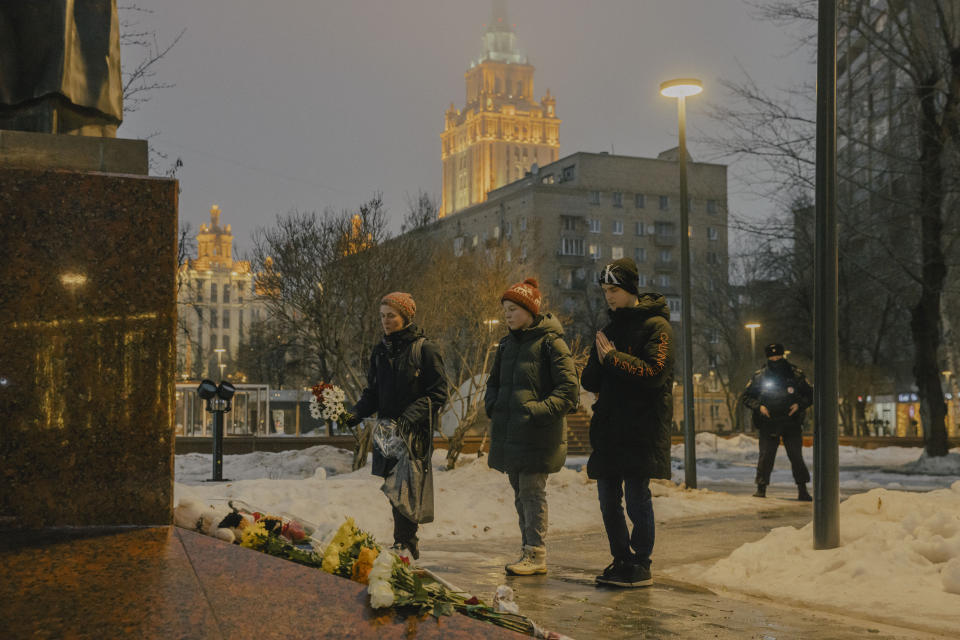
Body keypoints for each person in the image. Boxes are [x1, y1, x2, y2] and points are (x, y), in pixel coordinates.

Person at [580, 258, 675, 588]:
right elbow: (590, 379)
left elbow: (654, 373)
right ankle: (620, 558)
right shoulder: (607, 330)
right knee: (608, 499)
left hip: (641, 428)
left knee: (637, 497)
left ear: (631, 289)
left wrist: (613, 358)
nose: (609, 297)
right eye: (605, 290)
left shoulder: (657, 327)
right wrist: (598, 358)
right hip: (608, 428)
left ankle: (641, 562)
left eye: (615, 290)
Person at [485, 278, 579, 576]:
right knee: (520, 492)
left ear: (529, 309)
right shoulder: (507, 345)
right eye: (505, 310)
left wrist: (534, 413)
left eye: (513, 309)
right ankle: (528, 550)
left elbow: (569, 392)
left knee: (531, 491)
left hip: (538, 434)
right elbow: (494, 383)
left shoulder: (552, 342)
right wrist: (494, 406)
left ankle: (536, 553)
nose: (508, 315)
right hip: (512, 434)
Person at [349, 292, 448, 560]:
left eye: (391, 315)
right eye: (382, 316)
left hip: (412, 431)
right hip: (385, 430)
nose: (386, 321)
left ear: (405, 316)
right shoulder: (380, 350)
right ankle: (404, 542)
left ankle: (405, 541)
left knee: (405, 485)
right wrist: (355, 413)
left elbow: (438, 393)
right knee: (393, 487)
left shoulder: (425, 349)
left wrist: (408, 416)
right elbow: (373, 392)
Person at [741, 343, 813, 501]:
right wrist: (759, 407)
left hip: (791, 422)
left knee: (796, 456)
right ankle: (761, 487)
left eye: (778, 357)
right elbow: (746, 396)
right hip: (768, 422)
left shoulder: (795, 374)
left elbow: (811, 394)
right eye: (772, 357)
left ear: (783, 355)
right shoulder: (760, 376)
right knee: (766, 456)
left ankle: (803, 489)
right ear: (768, 357)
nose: (775, 359)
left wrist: (799, 404)